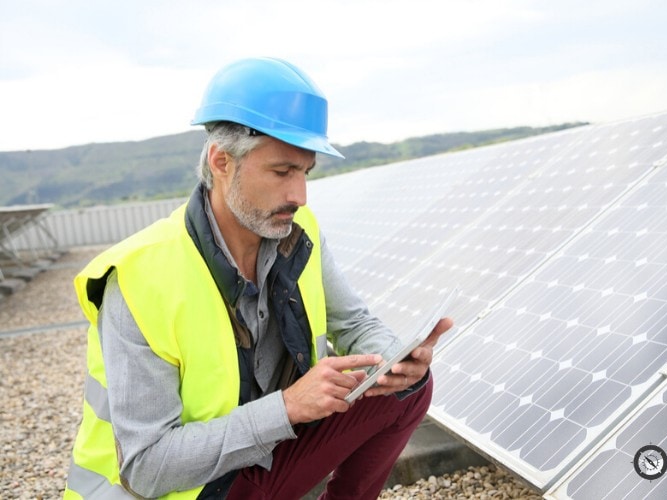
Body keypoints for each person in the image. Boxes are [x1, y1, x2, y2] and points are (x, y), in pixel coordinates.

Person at [63, 57, 453, 500]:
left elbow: (355, 323)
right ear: (222, 161)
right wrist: (286, 409)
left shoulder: (296, 234)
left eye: (305, 172)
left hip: (259, 458)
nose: (299, 195)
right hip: (189, 489)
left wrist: (395, 360)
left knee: (408, 391)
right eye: (282, 172)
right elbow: (147, 467)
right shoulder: (140, 276)